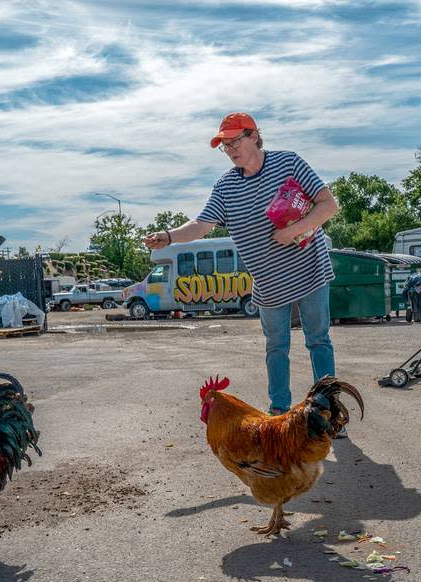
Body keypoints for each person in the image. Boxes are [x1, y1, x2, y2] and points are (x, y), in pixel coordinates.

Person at [144, 112, 342, 421]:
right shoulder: (226, 187)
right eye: (225, 145)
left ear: (254, 136)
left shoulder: (289, 163)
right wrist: (169, 236)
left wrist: (292, 230)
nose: (231, 149)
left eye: (235, 141)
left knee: (318, 340)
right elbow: (200, 225)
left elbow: (329, 204)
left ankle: (327, 412)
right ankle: (279, 413)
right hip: (268, 281)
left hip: (309, 271)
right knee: (276, 347)